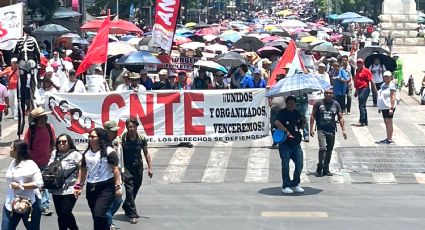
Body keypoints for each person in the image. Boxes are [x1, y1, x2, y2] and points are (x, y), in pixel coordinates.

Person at [74, 128, 122, 230]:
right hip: (91, 187)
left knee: (100, 214)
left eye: (93, 137)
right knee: (96, 216)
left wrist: (118, 186)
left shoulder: (109, 151)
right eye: (89, 137)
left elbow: (115, 169)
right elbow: (83, 171)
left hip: (106, 187)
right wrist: (78, 186)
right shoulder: (86, 153)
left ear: (100, 138)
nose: (90, 139)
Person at [1, 140, 43, 230]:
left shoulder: (30, 164)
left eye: (11, 148)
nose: (9, 149)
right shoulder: (13, 163)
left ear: (17, 150)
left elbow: (39, 183)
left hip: (29, 204)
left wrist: (21, 185)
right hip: (11, 203)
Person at [24, 107, 56, 216]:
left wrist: (52, 154)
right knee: (33, 184)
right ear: (37, 119)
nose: (44, 119)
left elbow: (53, 142)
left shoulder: (49, 128)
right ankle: (31, 203)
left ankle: (45, 205)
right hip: (32, 162)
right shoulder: (31, 131)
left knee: (45, 184)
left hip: (46, 161)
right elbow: (26, 146)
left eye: (45, 117)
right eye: (42, 117)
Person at [121, 118, 153, 224]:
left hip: (138, 167)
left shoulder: (141, 138)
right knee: (129, 190)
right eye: (129, 127)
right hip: (126, 168)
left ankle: (126, 205)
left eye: (133, 126)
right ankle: (132, 214)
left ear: (136, 127)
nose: (132, 129)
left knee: (135, 188)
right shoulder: (123, 138)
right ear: (126, 127)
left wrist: (150, 167)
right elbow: (118, 152)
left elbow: (146, 153)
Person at [310, 88, 347, 177]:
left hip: (331, 130)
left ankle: (326, 168)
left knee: (329, 149)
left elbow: (340, 117)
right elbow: (313, 115)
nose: (328, 95)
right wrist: (311, 128)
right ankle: (319, 167)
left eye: (330, 93)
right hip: (321, 129)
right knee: (323, 148)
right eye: (327, 93)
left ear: (332, 94)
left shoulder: (336, 104)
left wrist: (343, 130)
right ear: (324, 94)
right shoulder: (318, 103)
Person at [48, 134, 81, 230]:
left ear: (69, 143)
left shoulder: (76, 154)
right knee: (60, 215)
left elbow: (82, 170)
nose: (61, 144)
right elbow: (50, 167)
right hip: (56, 188)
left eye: (64, 142)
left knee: (65, 212)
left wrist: (78, 185)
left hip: (70, 188)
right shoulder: (54, 153)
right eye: (59, 142)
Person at [274, 96, 305, 194]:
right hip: (285, 144)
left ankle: (295, 183)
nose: (291, 105)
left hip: (296, 143)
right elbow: (277, 122)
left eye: (293, 103)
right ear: (286, 104)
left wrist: (304, 121)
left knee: (299, 164)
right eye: (289, 103)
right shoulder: (282, 113)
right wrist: (286, 131)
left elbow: (301, 126)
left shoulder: (297, 113)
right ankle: (286, 185)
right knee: (286, 165)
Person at [104, 121, 123, 229]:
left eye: (116, 130)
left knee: (118, 200)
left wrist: (122, 173)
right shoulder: (102, 144)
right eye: (113, 131)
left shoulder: (117, 142)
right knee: (107, 201)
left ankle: (106, 218)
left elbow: (120, 159)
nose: (116, 132)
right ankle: (109, 222)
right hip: (107, 176)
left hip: (117, 174)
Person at [353, 58, 377, 126]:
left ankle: (362, 120)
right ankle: (365, 121)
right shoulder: (357, 70)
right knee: (362, 105)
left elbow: (371, 81)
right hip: (359, 89)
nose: (359, 64)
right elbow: (357, 81)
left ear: (363, 63)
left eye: (360, 63)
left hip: (364, 89)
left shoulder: (366, 71)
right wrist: (356, 91)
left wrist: (374, 90)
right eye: (358, 63)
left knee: (362, 105)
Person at [377, 71, 397, 144]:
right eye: (384, 76)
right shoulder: (383, 85)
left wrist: (391, 108)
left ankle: (389, 139)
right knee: (386, 122)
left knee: (389, 122)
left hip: (389, 106)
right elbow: (381, 95)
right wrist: (380, 107)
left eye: (387, 76)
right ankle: (388, 137)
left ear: (391, 77)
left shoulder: (392, 85)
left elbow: (392, 96)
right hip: (383, 106)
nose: (386, 78)